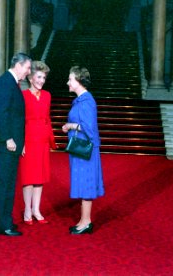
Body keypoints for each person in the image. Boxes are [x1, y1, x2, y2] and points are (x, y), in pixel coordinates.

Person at [0, 52, 32, 236]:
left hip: (10, 144)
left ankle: (3, 221)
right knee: (4, 183)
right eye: (27, 68)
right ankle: (1, 224)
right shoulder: (5, 82)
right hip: (5, 144)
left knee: (7, 183)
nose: (28, 72)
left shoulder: (10, 82)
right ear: (18, 65)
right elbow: (0, 113)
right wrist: (8, 139)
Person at [61, 66, 104, 235]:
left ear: (78, 81)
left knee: (86, 183)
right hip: (79, 150)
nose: (67, 82)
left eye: (70, 79)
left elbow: (90, 129)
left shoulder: (87, 101)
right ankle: (83, 220)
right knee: (82, 182)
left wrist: (71, 125)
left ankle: (86, 222)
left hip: (85, 150)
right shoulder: (80, 100)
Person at [18, 61, 57, 225]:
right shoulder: (23, 95)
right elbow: (19, 121)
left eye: (44, 78)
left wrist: (51, 141)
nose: (42, 80)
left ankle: (36, 209)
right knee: (28, 177)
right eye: (39, 77)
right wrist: (21, 143)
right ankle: (27, 209)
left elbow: (47, 119)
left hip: (42, 140)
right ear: (31, 78)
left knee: (39, 176)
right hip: (28, 139)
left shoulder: (47, 95)